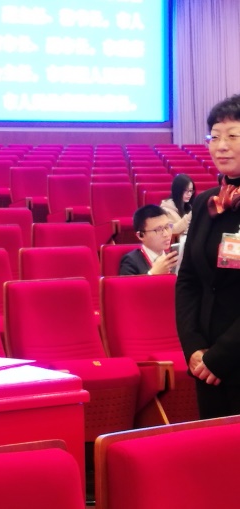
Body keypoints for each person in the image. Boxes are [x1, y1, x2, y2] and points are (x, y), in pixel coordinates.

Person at [176, 93, 240, 418]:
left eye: (233, 136)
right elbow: (188, 280)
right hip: (207, 365)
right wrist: (195, 349)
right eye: (215, 137)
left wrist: (221, 357)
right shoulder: (205, 203)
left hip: (227, 358)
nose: (221, 146)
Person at [119, 204, 178, 276]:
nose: (166, 234)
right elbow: (128, 284)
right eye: (158, 230)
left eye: (167, 227)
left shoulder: (174, 255)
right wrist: (152, 273)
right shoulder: (130, 261)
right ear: (141, 235)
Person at [160, 173, 194, 239]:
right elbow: (172, 229)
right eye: (186, 191)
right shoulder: (166, 209)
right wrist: (190, 216)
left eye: (191, 191)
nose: (189, 194)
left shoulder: (189, 206)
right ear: (177, 191)